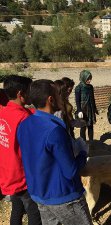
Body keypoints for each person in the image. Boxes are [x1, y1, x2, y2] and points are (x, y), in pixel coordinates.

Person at [17, 79, 92, 225]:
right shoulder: (54, 130)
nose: (61, 97)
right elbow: (70, 171)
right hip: (63, 196)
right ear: (50, 100)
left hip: (39, 193)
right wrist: (83, 152)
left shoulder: (24, 124)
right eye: (58, 94)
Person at [0, 75, 41, 225]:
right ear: (20, 94)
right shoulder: (24, 119)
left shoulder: (3, 112)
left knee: (17, 208)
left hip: (7, 174)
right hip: (23, 177)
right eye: (30, 91)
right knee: (34, 212)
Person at [75, 70, 98, 141]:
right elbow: (77, 100)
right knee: (83, 126)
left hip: (90, 109)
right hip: (83, 110)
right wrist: (79, 110)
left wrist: (94, 108)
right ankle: (83, 142)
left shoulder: (90, 87)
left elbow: (92, 98)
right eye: (88, 79)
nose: (89, 80)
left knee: (90, 126)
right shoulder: (78, 88)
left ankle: (91, 141)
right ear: (83, 78)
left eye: (90, 78)